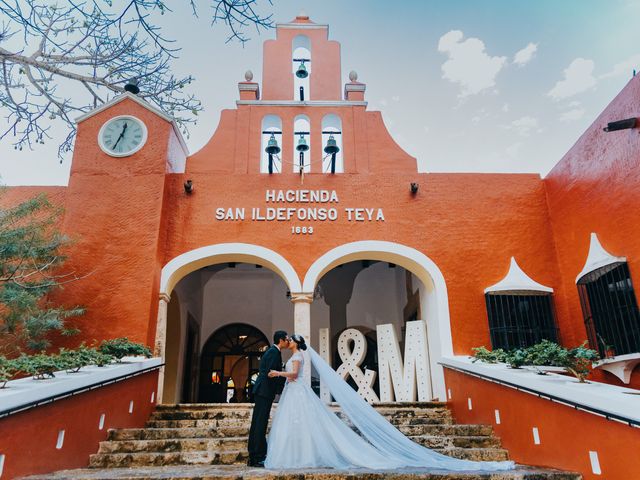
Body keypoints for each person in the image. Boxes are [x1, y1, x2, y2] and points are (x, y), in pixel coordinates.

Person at [263, 334, 515, 472]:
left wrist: (277, 374)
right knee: (301, 425)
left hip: (296, 391)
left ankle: (299, 456)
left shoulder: (296, 356)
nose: (288, 341)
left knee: (303, 424)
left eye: (290, 339)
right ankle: (299, 455)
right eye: (288, 339)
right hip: (294, 394)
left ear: (294, 343)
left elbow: (295, 376)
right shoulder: (295, 354)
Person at [247, 330, 288, 467]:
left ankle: (253, 456)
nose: (288, 341)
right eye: (286, 339)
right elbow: (270, 373)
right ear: (281, 340)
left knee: (258, 423)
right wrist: (280, 379)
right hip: (264, 391)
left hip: (263, 391)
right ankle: (257, 456)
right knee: (260, 423)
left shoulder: (274, 352)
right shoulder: (273, 352)